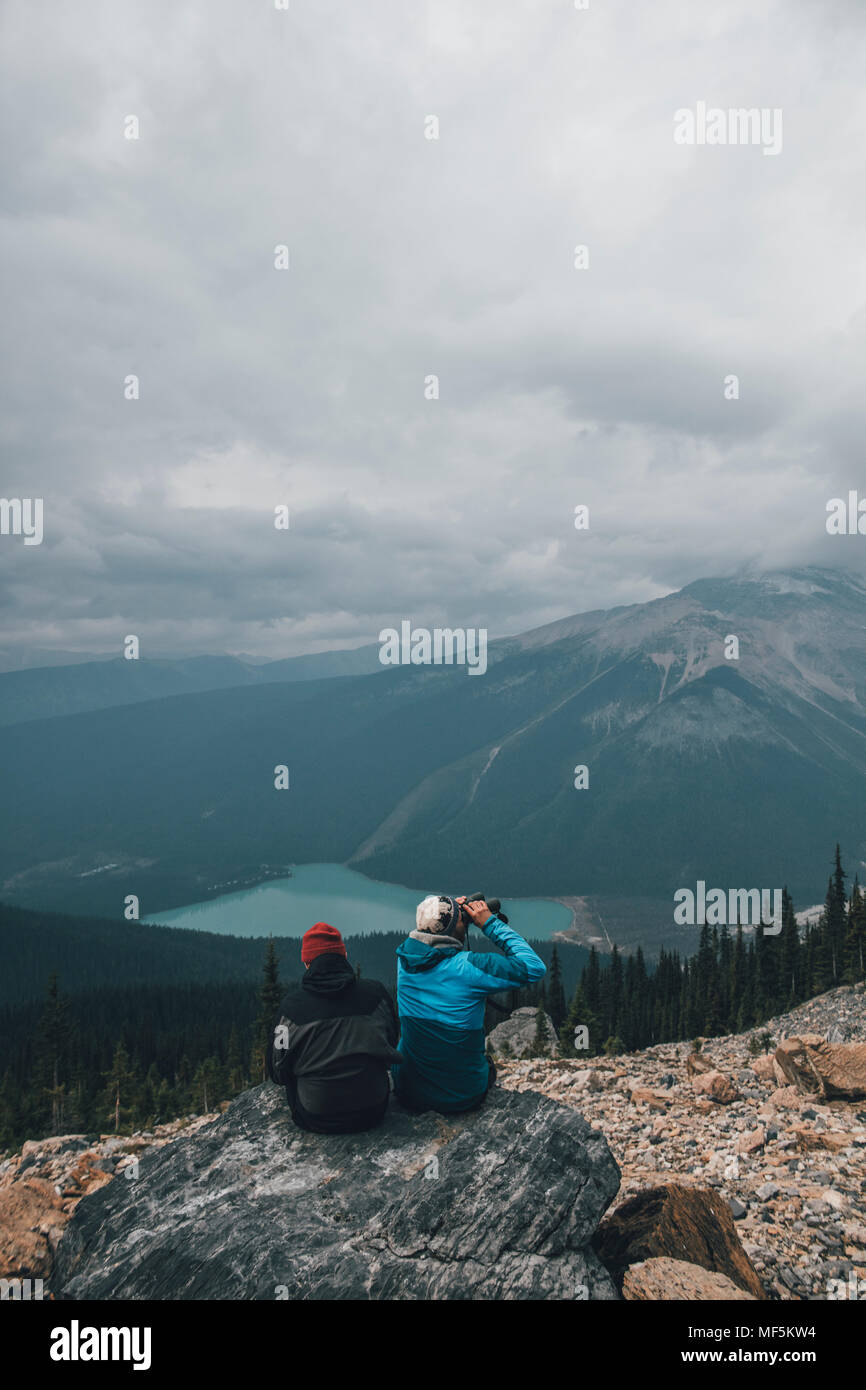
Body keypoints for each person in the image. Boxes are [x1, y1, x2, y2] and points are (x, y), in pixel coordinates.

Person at [392, 894, 546, 1114]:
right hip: (459, 1096)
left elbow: (434, 935)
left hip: (408, 1091)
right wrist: (490, 923)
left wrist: (446, 912)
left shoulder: (404, 960)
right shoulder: (468, 968)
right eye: (462, 920)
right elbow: (533, 967)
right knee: (485, 1065)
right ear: (454, 928)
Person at [268, 921, 401, 1134]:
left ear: (306, 963)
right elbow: (391, 1041)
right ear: (344, 955)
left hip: (316, 1116)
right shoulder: (376, 995)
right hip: (374, 1109)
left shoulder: (291, 1010)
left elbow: (277, 1071)